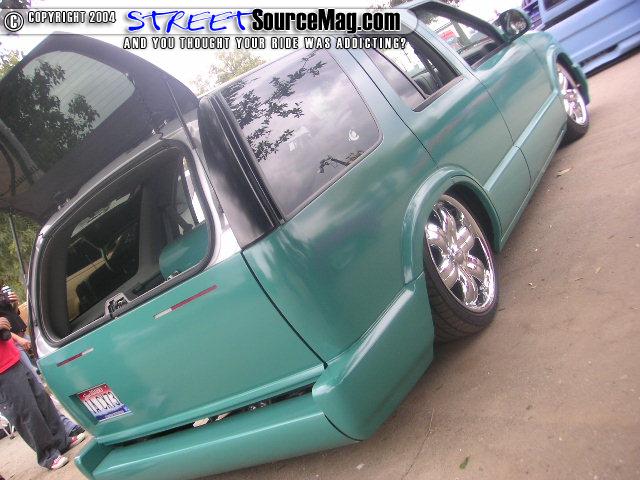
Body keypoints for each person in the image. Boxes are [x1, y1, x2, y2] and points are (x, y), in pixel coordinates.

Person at [0, 286, 84, 437]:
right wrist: (18, 339)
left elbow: (11, 315)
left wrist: (14, 304)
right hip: (13, 345)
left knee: (42, 383)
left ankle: (62, 429)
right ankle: (65, 427)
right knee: (36, 387)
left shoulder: (2, 291)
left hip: (23, 336)